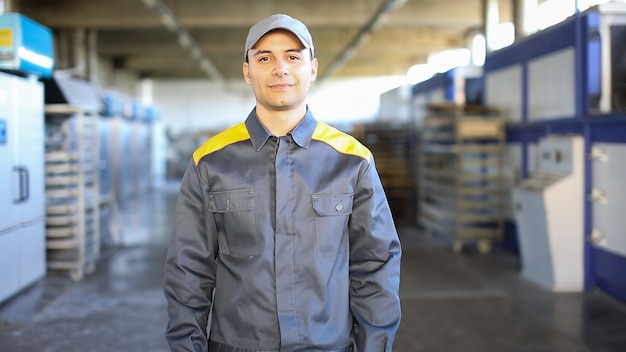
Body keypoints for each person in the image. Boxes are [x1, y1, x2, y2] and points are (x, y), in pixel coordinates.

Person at [163, 13, 402, 352]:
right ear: (247, 70)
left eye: (293, 56)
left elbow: (376, 266)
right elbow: (188, 272)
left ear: (312, 68)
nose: (280, 68)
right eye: (265, 58)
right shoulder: (210, 162)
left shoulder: (352, 161)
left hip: (328, 346)